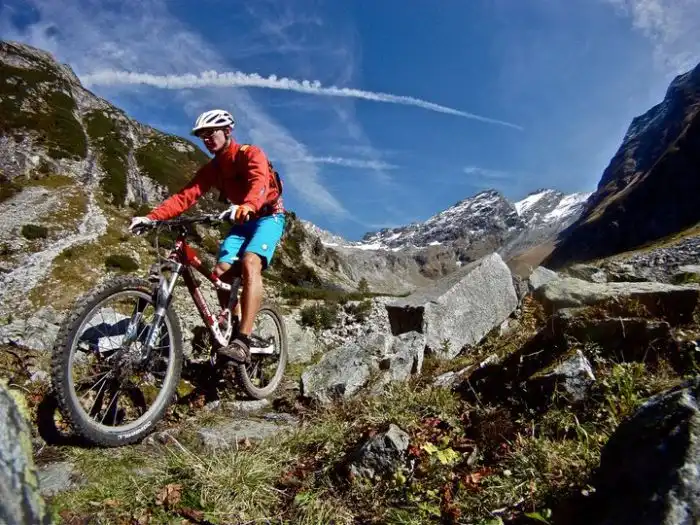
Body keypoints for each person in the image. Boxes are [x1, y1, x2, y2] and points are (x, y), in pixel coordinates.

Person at [128, 109, 285, 364]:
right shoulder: (213, 169)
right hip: (243, 220)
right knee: (221, 272)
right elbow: (186, 196)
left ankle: (243, 341)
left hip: (268, 216)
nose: (207, 140)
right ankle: (233, 326)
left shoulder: (250, 153)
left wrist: (248, 205)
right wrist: (152, 217)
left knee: (250, 262)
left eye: (211, 133)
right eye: (203, 136)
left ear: (227, 131)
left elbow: (260, 182)